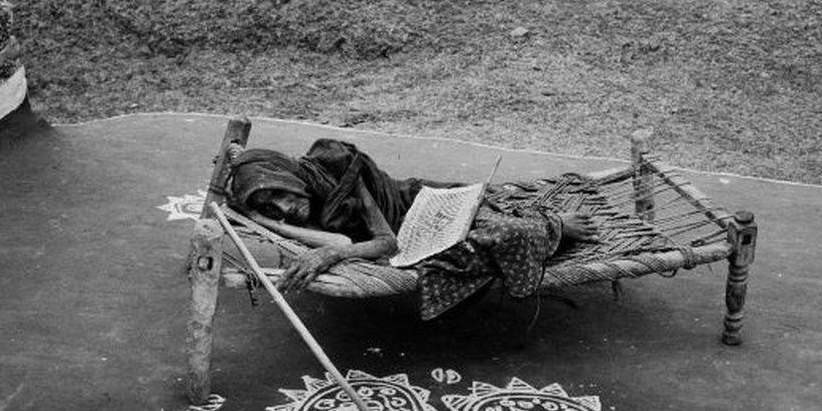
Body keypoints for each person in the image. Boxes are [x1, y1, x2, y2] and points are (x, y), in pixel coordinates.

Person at [229, 138, 600, 319]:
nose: (283, 208)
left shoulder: (335, 167)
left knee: (506, 234)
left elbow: (385, 243)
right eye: (267, 206)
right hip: (417, 243)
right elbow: (339, 240)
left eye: (280, 193)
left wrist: (333, 253)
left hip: (426, 207)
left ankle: (552, 225)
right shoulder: (287, 212)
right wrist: (264, 221)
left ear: (288, 174)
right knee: (473, 252)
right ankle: (531, 227)